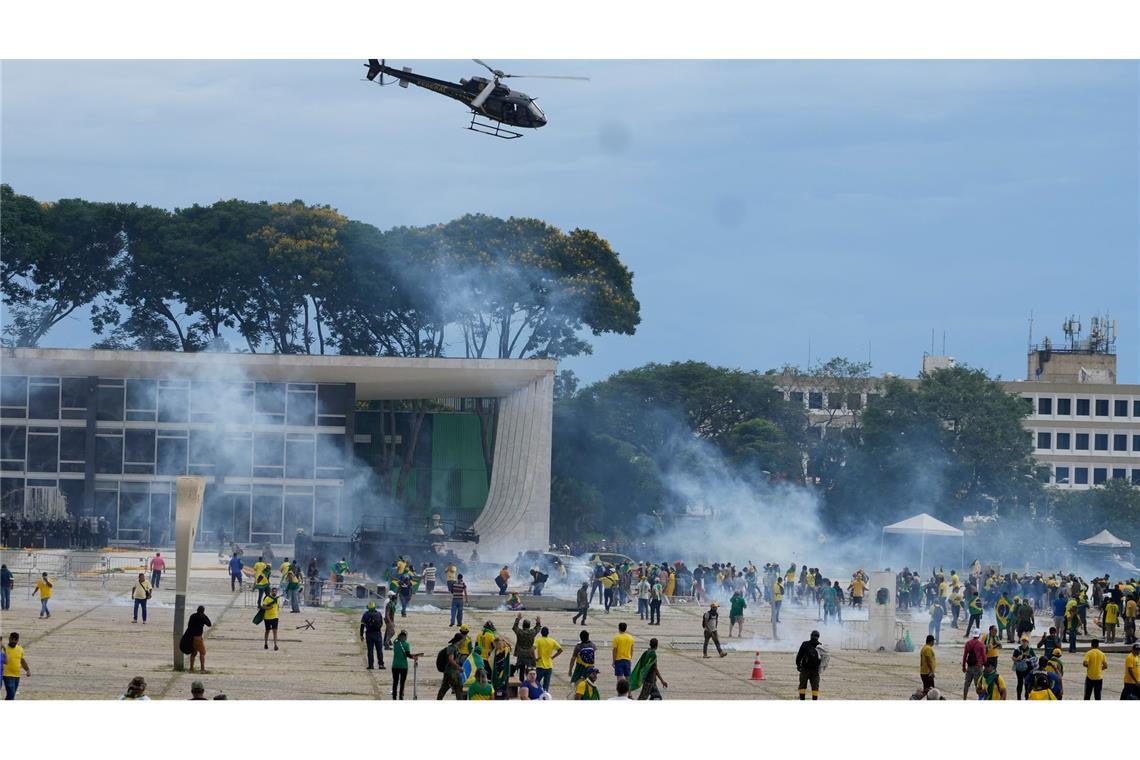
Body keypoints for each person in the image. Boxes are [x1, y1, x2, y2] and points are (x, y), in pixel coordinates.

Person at [391, 630, 421, 700]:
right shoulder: (406, 644)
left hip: (395, 665)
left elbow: (395, 639)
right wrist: (414, 657)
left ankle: (394, 697)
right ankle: (401, 696)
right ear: (405, 637)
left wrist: (398, 635)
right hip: (403, 666)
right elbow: (408, 655)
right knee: (402, 682)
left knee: (395, 682)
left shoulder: (395, 643)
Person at [795, 630, 823, 700]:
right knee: (815, 687)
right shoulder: (820, 645)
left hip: (805, 669)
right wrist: (821, 668)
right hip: (815, 670)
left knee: (802, 685)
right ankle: (814, 700)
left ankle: (802, 699)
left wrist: (798, 665)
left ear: (811, 636)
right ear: (818, 637)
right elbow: (823, 659)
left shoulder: (805, 644)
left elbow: (799, 656)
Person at [437, 632, 465, 700]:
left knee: (444, 689)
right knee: (458, 689)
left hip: (450, 672)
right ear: (459, 640)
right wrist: (459, 668)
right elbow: (451, 659)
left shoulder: (456, 648)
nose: (463, 642)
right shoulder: (452, 648)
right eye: (462, 640)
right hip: (452, 673)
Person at [2, 632, 30, 700]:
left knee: (11, 695)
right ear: (9, 639)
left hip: (17, 675)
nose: (13, 641)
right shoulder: (4, 649)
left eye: (15, 639)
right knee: (11, 693)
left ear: (18, 640)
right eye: (12, 639)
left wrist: (27, 670)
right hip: (7, 675)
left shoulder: (20, 649)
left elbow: (22, 661)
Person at [534, 626, 563, 693]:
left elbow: (532, 649)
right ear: (548, 633)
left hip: (540, 665)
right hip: (549, 665)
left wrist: (535, 658)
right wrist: (552, 657)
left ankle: (536, 695)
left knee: (536, 683)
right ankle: (545, 696)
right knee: (546, 685)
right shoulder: (552, 641)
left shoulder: (538, 640)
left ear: (541, 633)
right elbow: (560, 650)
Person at [185, 605, 212, 673]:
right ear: (203, 611)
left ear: (197, 610)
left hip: (192, 637)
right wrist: (205, 615)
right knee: (202, 653)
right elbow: (209, 624)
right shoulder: (202, 617)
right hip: (198, 637)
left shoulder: (192, 616)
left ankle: (191, 668)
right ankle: (202, 669)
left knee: (193, 653)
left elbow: (189, 625)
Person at [360, 602, 385, 670]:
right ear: (375, 607)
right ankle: (381, 664)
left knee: (370, 651)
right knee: (379, 650)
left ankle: (371, 665)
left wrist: (361, 635)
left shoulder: (365, 614)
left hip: (369, 634)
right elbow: (381, 623)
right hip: (378, 634)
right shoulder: (379, 614)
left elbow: (362, 625)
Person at [1011, 635, 1037, 700]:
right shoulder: (1017, 649)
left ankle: (1027, 697)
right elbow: (1013, 658)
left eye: (1026, 641)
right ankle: (1019, 698)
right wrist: (1018, 658)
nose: (1024, 643)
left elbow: (1035, 658)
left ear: (1028, 642)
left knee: (1027, 684)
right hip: (1019, 669)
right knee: (1020, 683)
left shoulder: (1030, 650)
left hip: (1028, 670)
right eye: (1023, 641)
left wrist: (1029, 659)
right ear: (1021, 642)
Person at [261, 587, 281, 651]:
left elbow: (278, 607)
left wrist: (277, 614)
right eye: (273, 591)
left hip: (275, 617)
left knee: (275, 631)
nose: (274, 592)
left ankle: (275, 645)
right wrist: (269, 608)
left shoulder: (278, 599)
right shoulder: (267, 598)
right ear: (271, 592)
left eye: (275, 591)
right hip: (267, 617)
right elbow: (263, 606)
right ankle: (265, 643)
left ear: (277, 592)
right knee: (267, 631)